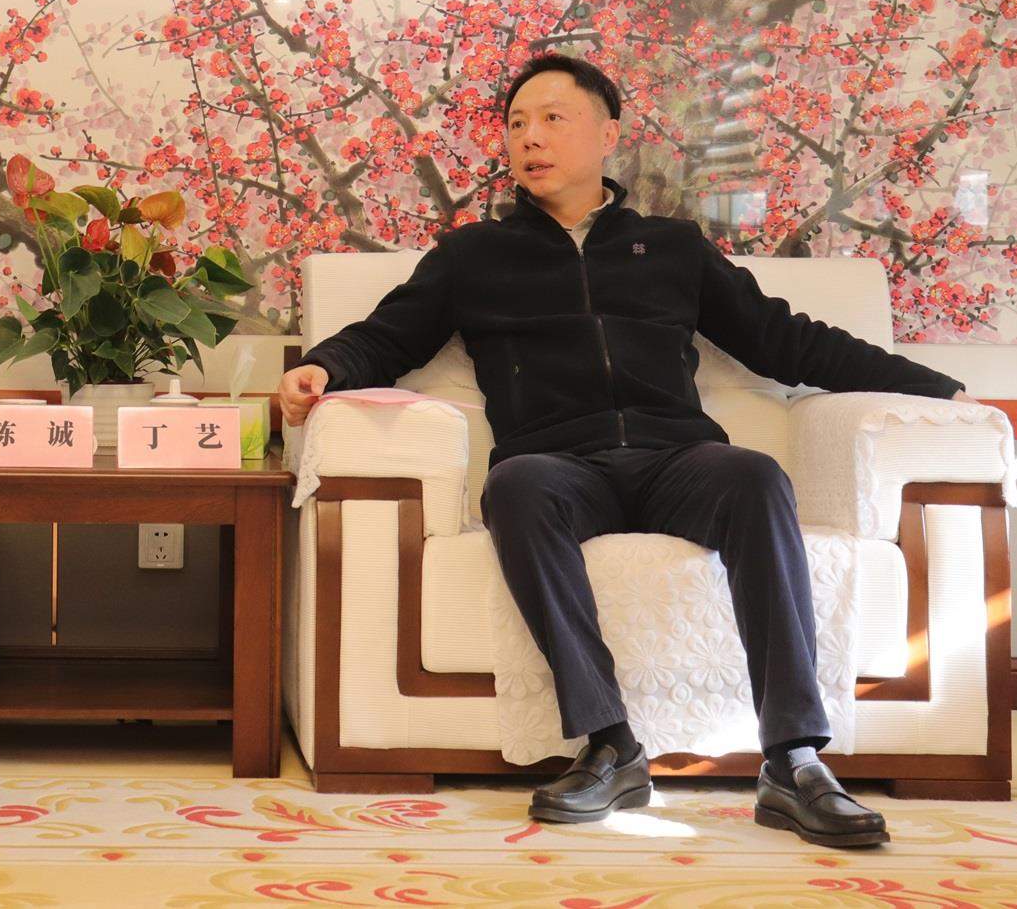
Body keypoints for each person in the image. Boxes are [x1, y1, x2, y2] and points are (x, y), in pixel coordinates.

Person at [277, 53, 979, 849]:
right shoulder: (473, 255)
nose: (529, 138)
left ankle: (792, 758)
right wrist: (322, 366)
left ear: (608, 133)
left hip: (676, 456)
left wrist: (936, 389)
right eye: (516, 123)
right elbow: (386, 335)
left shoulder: (672, 247)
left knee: (755, 477)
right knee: (516, 487)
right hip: (557, 462)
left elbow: (786, 339)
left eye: (553, 118)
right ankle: (610, 745)